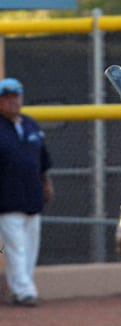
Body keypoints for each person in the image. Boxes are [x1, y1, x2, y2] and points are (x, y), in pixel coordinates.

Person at [0, 77, 54, 306]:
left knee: (30, 248)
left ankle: (22, 287)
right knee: (16, 248)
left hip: (32, 196)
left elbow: (41, 162)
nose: (12, 101)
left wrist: (47, 183)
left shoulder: (31, 124)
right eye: (7, 97)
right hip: (6, 198)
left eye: (16, 96)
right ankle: (24, 291)